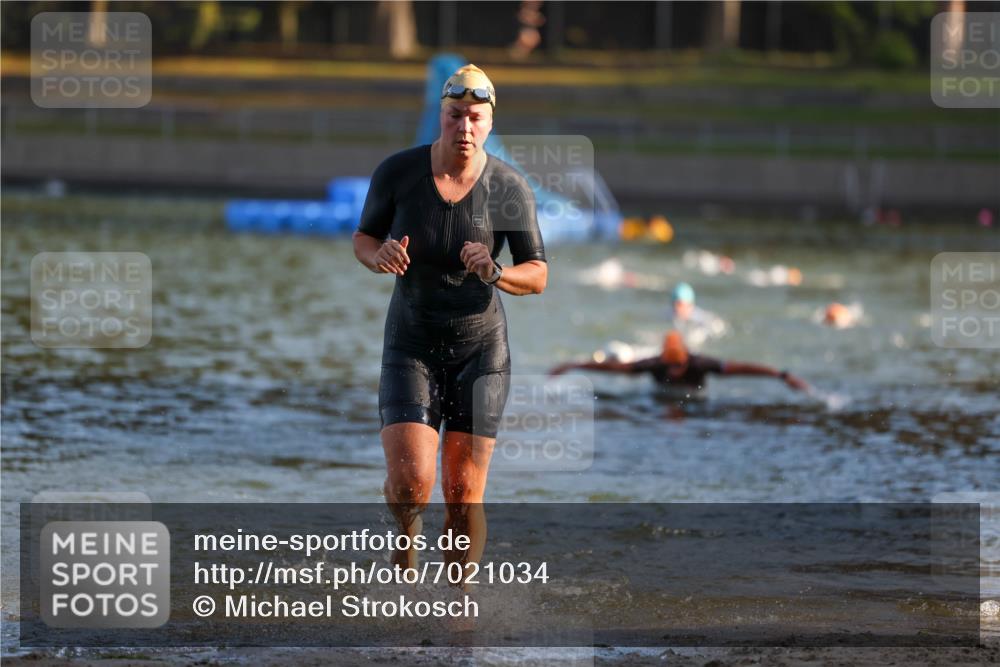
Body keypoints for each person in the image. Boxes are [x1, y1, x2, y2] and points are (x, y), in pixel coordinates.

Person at [352, 64, 547, 581]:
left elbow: (539, 273)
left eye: (475, 117)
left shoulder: (509, 187)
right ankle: (405, 541)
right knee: (412, 484)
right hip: (410, 344)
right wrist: (380, 256)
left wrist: (496, 270)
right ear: (440, 116)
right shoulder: (398, 173)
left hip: (481, 351)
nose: (464, 126)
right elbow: (363, 238)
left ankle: (459, 609)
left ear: (489, 123)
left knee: (463, 495)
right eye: (455, 115)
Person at [550, 331, 810, 397]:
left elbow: (743, 368)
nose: (673, 372)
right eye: (670, 367)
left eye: (678, 367)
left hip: (696, 399)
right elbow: (614, 368)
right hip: (662, 398)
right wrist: (573, 365)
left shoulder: (700, 364)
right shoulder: (655, 364)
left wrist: (781, 375)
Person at [668, 282, 726, 347]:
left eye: (680, 304)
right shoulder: (670, 314)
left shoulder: (700, 317)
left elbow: (716, 329)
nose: (677, 308)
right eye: (674, 304)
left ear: (690, 305)